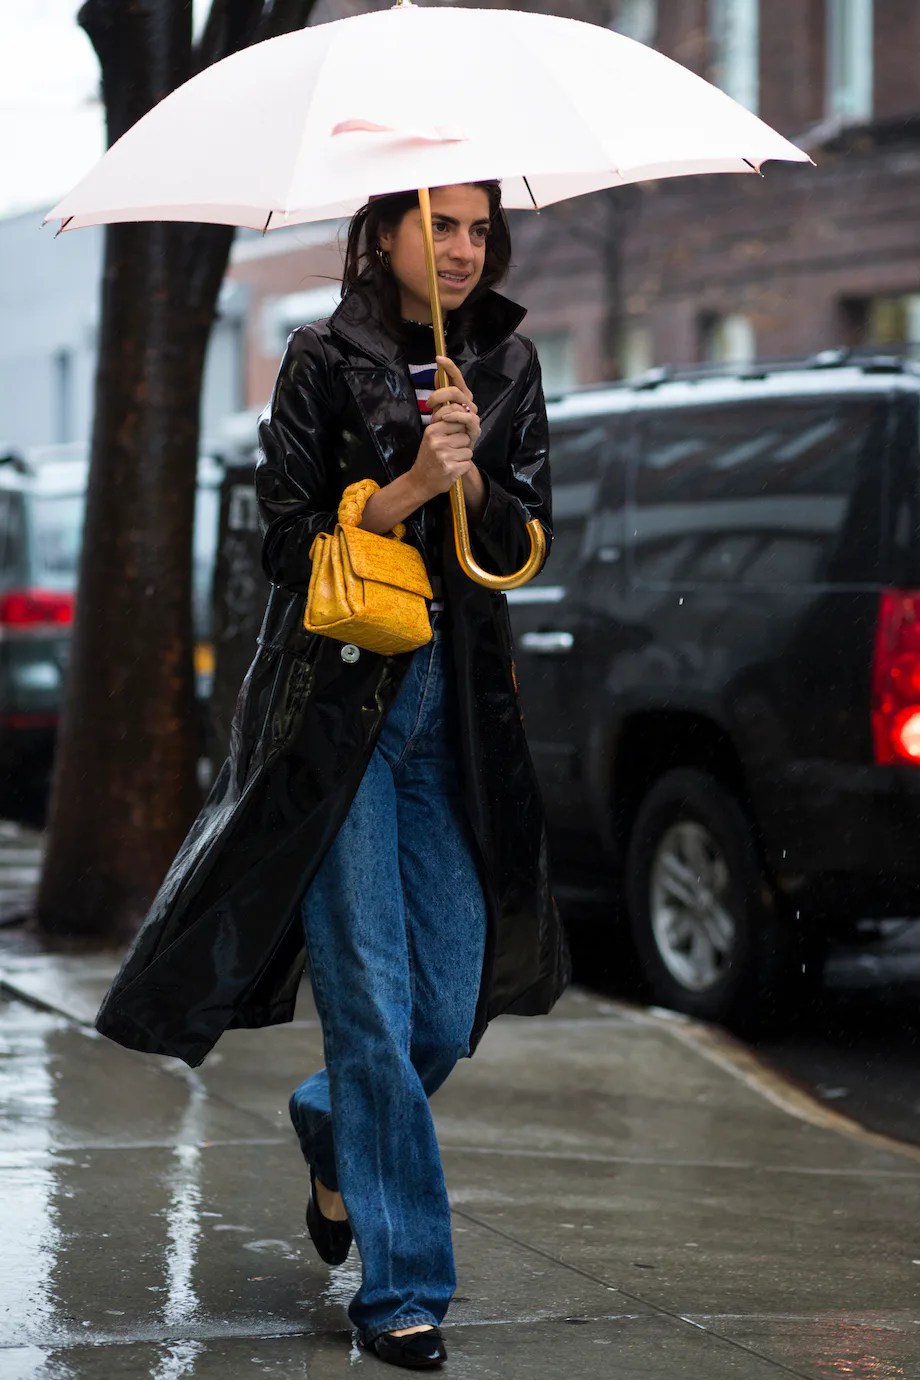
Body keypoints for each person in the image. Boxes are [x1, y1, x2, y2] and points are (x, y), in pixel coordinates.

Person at [94, 180, 570, 1370]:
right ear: (383, 234)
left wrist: (469, 482)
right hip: (338, 717)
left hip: (452, 720)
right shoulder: (320, 356)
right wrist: (405, 487)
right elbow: (281, 541)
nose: (463, 249)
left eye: (477, 230)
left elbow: (521, 545)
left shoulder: (503, 364)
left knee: (449, 1002)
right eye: (441, 225)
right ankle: (401, 1289)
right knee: (369, 1002)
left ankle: (331, 1128)